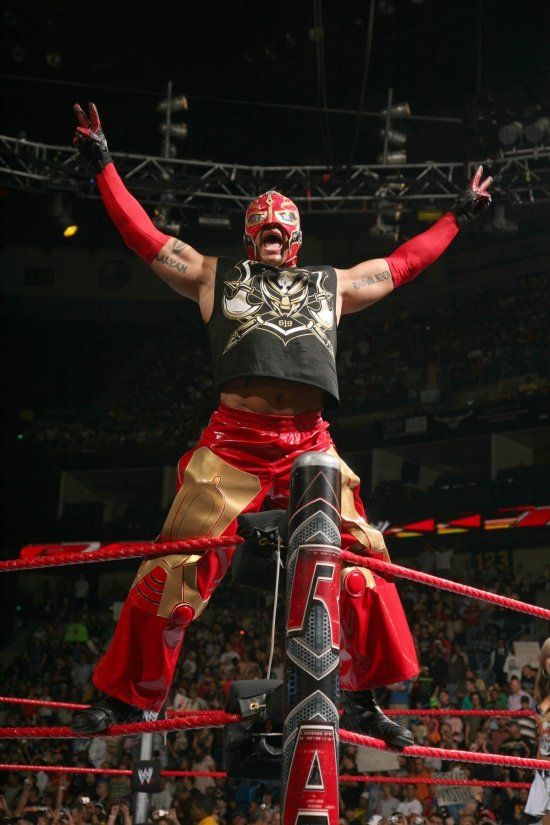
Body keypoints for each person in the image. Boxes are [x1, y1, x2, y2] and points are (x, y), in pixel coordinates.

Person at [68, 102, 492, 745]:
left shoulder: (332, 286)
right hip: (232, 443)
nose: (272, 226)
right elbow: (143, 236)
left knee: (360, 564)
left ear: (294, 238)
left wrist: (458, 216)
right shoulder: (216, 277)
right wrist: (103, 164)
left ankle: (365, 697)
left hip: (310, 447)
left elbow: (402, 265)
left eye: (282, 223)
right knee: (172, 567)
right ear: (250, 236)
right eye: (261, 223)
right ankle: (128, 698)